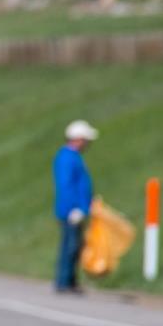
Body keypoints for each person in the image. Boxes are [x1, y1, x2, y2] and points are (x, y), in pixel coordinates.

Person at [51, 119, 98, 293]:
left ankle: (69, 280)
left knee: (75, 245)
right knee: (70, 246)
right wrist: (74, 208)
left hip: (76, 209)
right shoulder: (66, 158)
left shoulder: (73, 157)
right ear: (77, 139)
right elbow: (66, 186)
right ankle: (64, 281)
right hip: (70, 210)